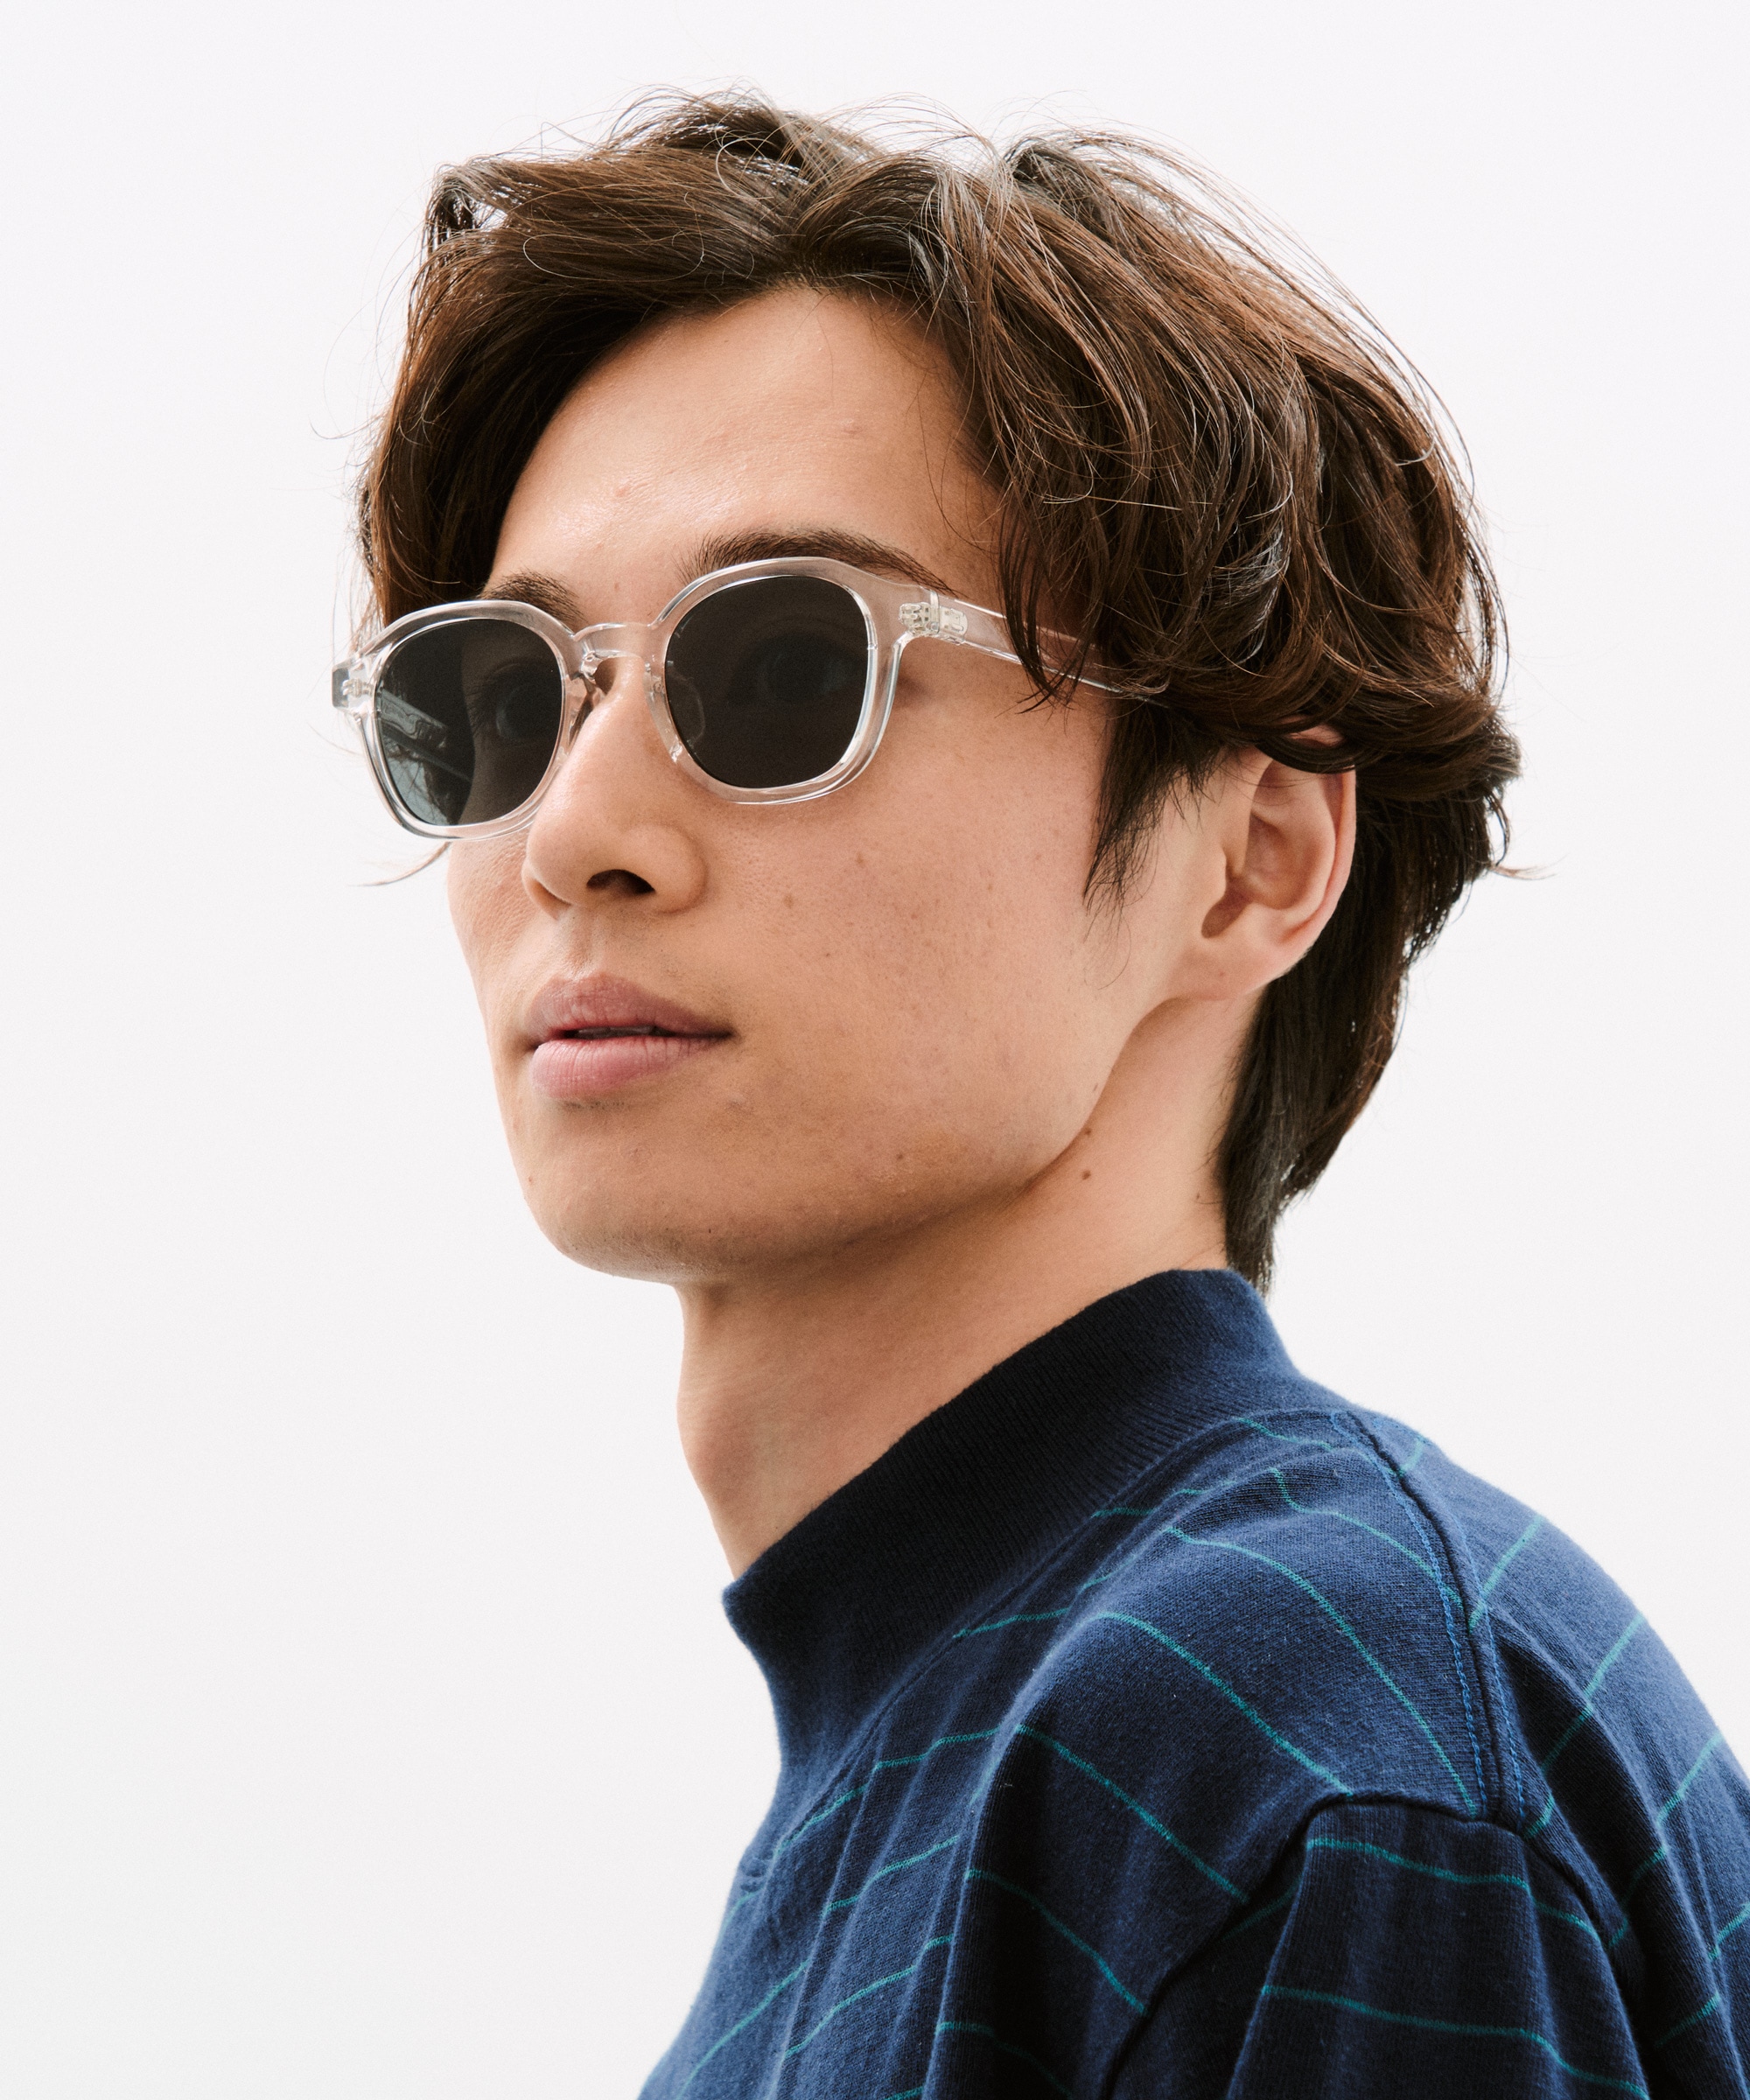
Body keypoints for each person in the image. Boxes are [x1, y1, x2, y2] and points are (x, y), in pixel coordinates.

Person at [333, 95, 1750, 2096]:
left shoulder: (1297, 1747)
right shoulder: (1002, 1760)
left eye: (781, 668)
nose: (573, 830)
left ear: (1251, 860)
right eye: (497, 698)